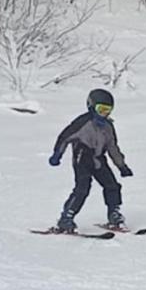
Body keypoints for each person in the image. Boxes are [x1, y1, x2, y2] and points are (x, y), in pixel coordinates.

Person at [48, 88, 133, 233]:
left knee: (112, 185)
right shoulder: (82, 122)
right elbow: (64, 138)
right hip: (82, 158)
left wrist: (122, 166)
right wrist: (57, 155)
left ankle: (114, 215)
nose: (104, 114)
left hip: (99, 159)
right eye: (101, 109)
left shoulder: (108, 126)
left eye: (107, 110)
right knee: (82, 188)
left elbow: (112, 147)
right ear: (91, 106)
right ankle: (66, 218)